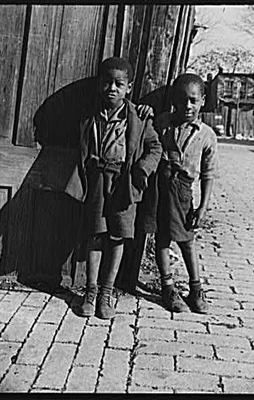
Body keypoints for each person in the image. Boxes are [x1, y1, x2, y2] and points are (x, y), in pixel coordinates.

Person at [72, 57, 162, 319]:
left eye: (118, 84)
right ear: (100, 84)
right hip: (98, 181)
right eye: (107, 82)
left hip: (124, 183)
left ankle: (106, 292)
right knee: (96, 234)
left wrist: (142, 170)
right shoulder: (90, 115)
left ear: (129, 87)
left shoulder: (138, 117)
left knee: (117, 236)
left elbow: (155, 147)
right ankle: (90, 291)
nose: (112, 88)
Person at [154, 73, 218, 314]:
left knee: (187, 240)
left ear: (202, 100)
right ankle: (168, 286)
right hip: (159, 187)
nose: (187, 106)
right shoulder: (162, 123)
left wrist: (202, 207)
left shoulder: (206, 135)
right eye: (181, 100)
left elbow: (209, 174)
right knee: (161, 237)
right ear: (174, 100)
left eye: (193, 100)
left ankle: (195, 288)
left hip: (183, 192)